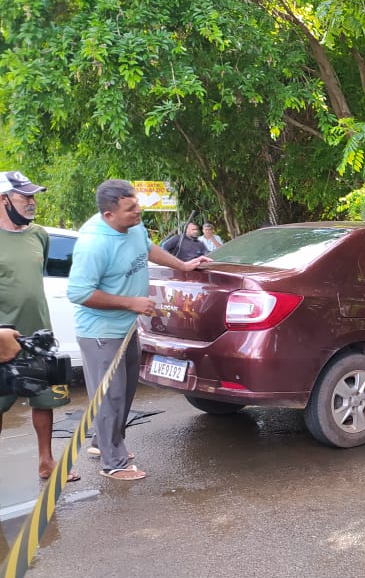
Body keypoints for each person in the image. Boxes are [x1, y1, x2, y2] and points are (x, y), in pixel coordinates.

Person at [67, 180, 213, 481]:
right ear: (109, 215)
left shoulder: (134, 229)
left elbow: (147, 249)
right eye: (130, 208)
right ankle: (114, 462)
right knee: (110, 396)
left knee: (127, 389)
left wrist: (183, 266)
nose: (138, 211)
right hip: (100, 332)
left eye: (137, 203)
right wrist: (130, 303)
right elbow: (79, 293)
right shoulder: (94, 244)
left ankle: (104, 443)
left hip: (126, 326)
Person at [0, 171, 79, 482]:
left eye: (33, 196)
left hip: (39, 337)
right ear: (3, 200)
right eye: (25, 197)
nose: (32, 202)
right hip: (4, 339)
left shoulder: (39, 235)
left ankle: (47, 462)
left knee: (44, 401)